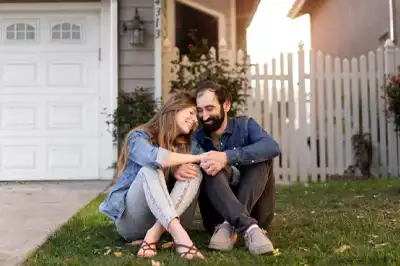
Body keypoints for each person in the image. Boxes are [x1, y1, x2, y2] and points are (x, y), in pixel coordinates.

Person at [173, 80, 280, 255]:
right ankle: (249, 227)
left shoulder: (246, 126)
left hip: (258, 212)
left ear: (227, 105)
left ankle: (230, 224)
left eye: (210, 109)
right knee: (208, 164)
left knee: (260, 158)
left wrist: (226, 157)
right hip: (215, 217)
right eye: (200, 111)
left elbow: (272, 147)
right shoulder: (196, 139)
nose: (204, 117)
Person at [99, 92, 206, 260]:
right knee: (150, 168)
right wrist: (185, 163)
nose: (195, 120)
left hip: (171, 220)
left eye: (197, 117)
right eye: (191, 113)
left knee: (194, 171)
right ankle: (181, 238)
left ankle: (154, 235)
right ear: (174, 109)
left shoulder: (189, 145)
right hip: (134, 224)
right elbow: (153, 157)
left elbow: (209, 164)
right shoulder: (139, 137)